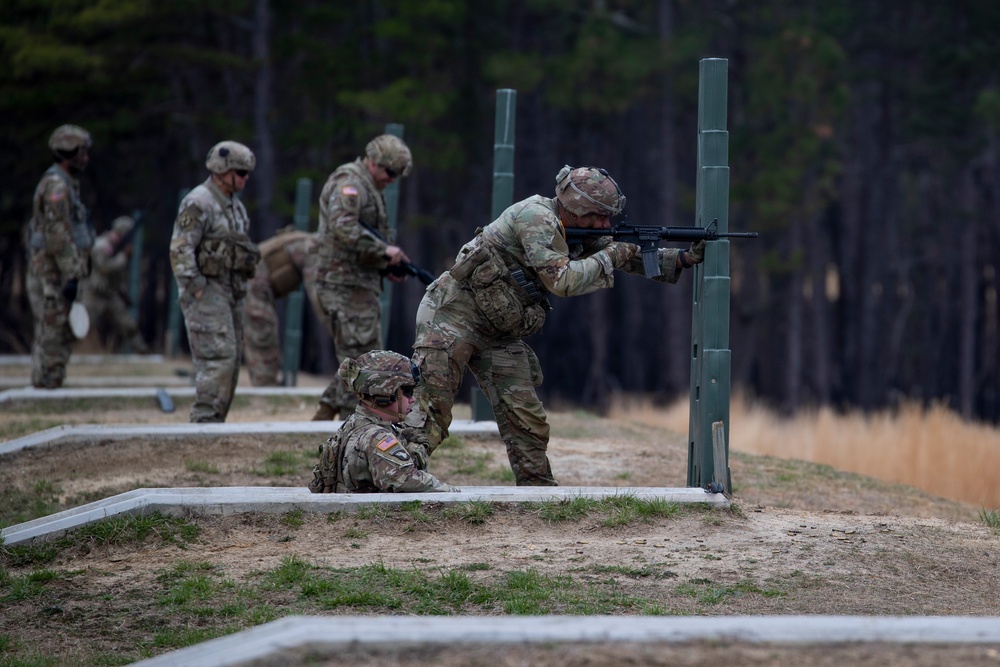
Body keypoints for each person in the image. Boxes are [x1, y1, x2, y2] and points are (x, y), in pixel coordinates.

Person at [402, 165, 707, 486]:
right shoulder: (536, 219)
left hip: (498, 328)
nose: (606, 224)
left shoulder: (576, 227)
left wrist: (682, 259)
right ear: (575, 208)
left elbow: (622, 254)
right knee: (430, 410)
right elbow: (562, 280)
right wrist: (613, 255)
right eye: (599, 216)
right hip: (452, 316)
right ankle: (394, 479)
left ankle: (538, 492)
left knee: (526, 419)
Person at [306, 134, 417, 421]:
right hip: (344, 285)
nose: (392, 180)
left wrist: (384, 264)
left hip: (357, 284)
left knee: (363, 355)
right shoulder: (351, 184)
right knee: (360, 360)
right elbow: (343, 228)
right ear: (374, 162)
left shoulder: (368, 185)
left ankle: (327, 411)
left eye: (397, 175)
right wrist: (384, 250)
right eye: (390, 172)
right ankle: (348, 423)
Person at [169, 141, 260, 422]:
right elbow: (180, 248)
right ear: (222, 171)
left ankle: (215, 422)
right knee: (217, 358)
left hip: (231, 291)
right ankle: (204, 422)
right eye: (241, 172)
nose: (245, 178)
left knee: (231, 361)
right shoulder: (199, 202)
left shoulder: (233, 205)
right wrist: (196, 287)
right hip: (207, 292)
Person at [308, 350, 459, 493]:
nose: (413, 399)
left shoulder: (354, 423)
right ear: (385, 394)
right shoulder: (377, 436)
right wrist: (453, 492)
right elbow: (405, 479)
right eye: (407, 392)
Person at [25, 124, 96, 388]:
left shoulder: (65, 185)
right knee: (52, 329)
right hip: (52, 274)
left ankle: (49, 380)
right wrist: (73, 273)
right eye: (82, 153)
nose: (85, 159)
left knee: (57, 329)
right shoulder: (56, 186)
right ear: (70, 153)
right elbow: (57, 235)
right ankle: (46, 382)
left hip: (57, 272)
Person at [243, 226, 319, 386]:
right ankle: (265, 387)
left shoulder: (308, 242)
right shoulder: (312, 248)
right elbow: (318, 294)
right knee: (262, 332)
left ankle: (266, 385)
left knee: (263, 331)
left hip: (256, 281)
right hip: (252, 281)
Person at [81, 215, 149, 354]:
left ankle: (142, 352)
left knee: (128, 325)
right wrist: (123, 256)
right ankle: (64, 351)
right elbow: (104, 268)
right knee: (82, 325)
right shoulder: (102, 245)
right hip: (94, 293)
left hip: (110, 294)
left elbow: (117, 277)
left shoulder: (117, 247)